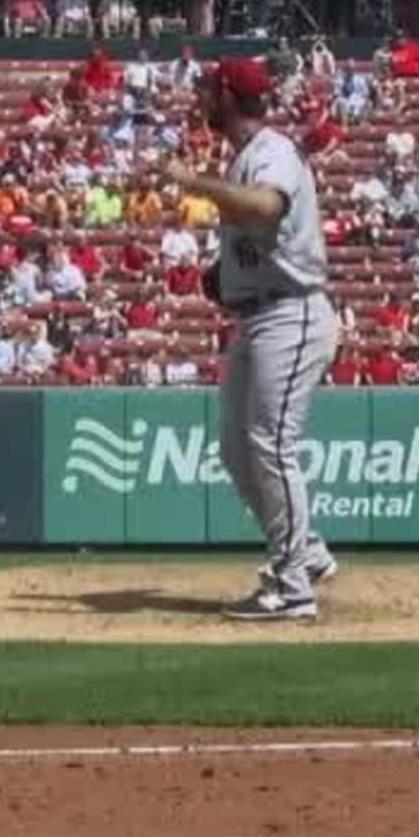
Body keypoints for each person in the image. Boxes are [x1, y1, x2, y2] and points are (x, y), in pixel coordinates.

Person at [165, 55, 338, 623]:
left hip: (292, 315)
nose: (203, 99)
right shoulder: (245, 157)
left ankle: (293, 588)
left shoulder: (271, 151)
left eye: (211, 90)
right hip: (259, 314)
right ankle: (306, 553)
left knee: (269, 444)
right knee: (238, 451)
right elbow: (258, 231)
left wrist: (196, 184)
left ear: (229, 97)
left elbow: (266, 206)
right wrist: (225, 276)